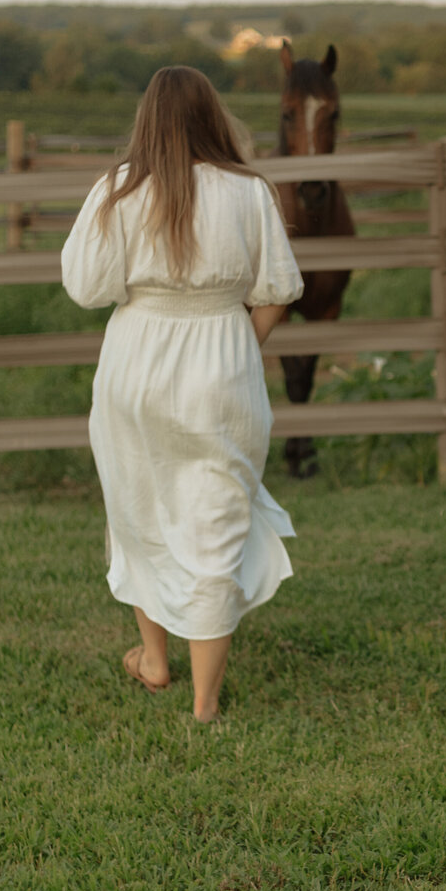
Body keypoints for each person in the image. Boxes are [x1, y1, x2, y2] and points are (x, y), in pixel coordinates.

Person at [62, 65, 304, 721]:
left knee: (139, 507)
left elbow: (87, 288)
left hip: (135, 362)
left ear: (146, 120)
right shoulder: (248, 190)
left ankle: (156, 659)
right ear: (212, 116)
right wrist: (240, 353)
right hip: (220, 357)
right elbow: (278, 290)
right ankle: (205, 704)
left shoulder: (118, 189)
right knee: (216, 517)